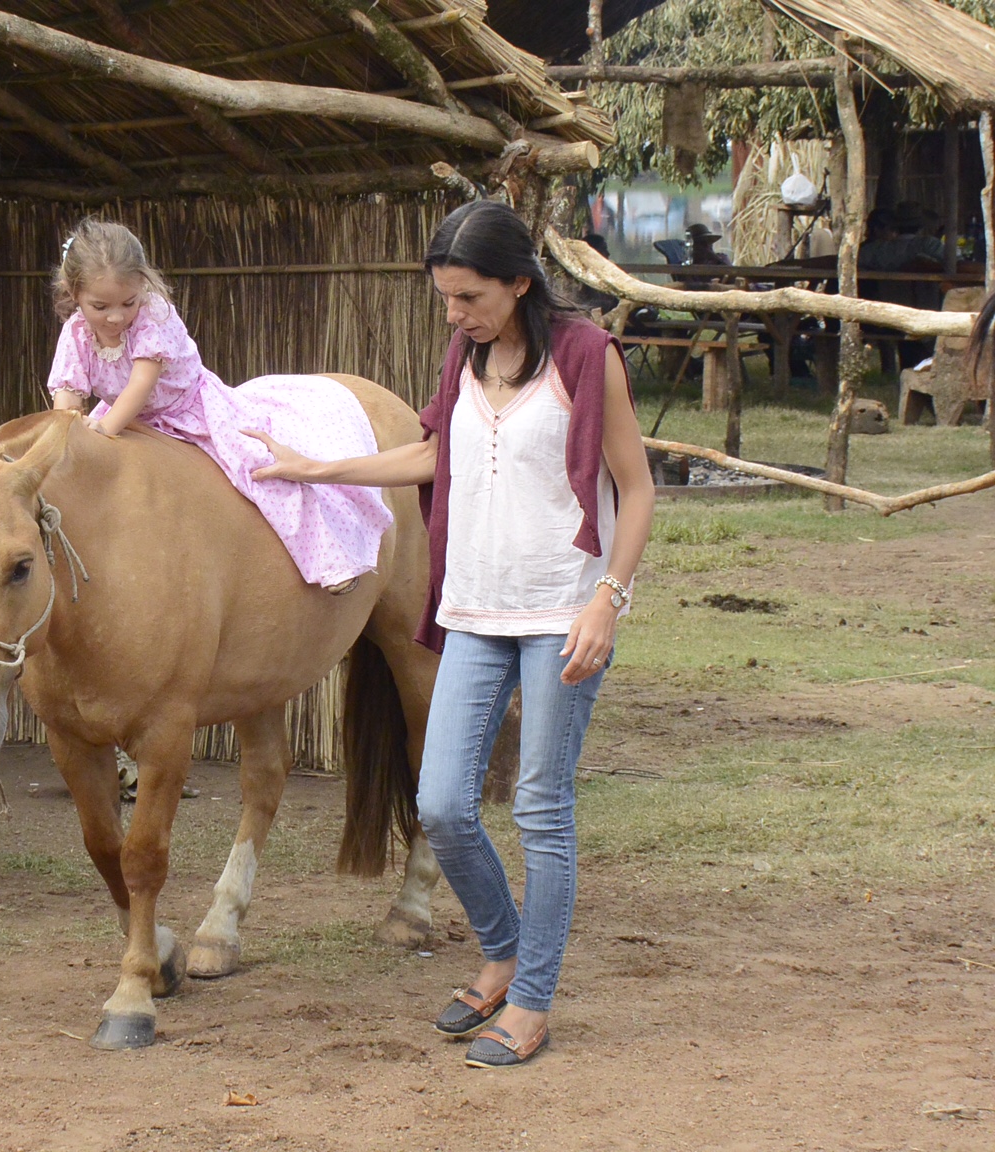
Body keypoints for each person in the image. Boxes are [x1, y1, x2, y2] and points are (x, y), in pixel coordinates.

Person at [246, 200, 655, 1068]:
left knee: (543, 811)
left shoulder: (585, 356)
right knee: (440, 803)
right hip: (472, 610)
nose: (455, 314)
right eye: (445, 299)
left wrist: (607, 600)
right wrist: (314, 469)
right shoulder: (465, 356)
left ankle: (532, 998)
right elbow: (436, 456)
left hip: (562, 615)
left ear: (519, 282)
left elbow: (638, 488)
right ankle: (504, 950)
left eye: (468, 298)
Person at [46, 218, 392, 593]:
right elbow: (67, 390)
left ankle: (330, 556)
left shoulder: (153, 316)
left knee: (258, 466)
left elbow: (141, 383)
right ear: (74, 295)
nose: (116, 316)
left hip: (188, 407)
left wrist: (106, 430)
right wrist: (68, 432)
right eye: (100, 306)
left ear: (143, 287)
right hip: (123, 418)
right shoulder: (77, 332)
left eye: (127, 302)